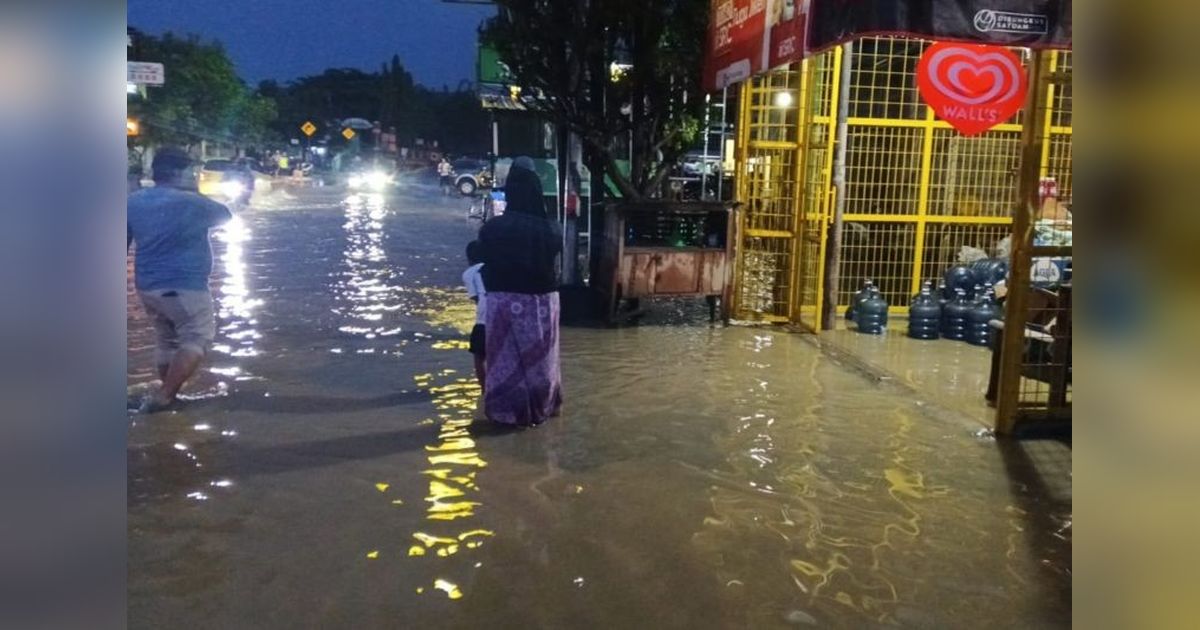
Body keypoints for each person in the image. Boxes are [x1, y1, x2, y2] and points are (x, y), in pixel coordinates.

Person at [127, 147, 233, 413]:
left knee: (167, 340)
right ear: (178, 172)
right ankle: (164, 395)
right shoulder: (192, 202)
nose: (195, 175)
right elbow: (225, 215)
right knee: (198, 337)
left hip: (148, 286)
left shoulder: (133, 200)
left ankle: (169, 392)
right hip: (185, 286)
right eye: (191, 170)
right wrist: (194, 190)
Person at [476, 159, 563, 426]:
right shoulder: (551, 230)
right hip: (542, 302)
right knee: (542, 362)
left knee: (503, 361)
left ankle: (505, 415)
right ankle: (544, 409)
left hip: (501, 301)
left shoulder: (491, 228)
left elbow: (483, 259)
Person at [462, 240, 488, 390]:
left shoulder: (470, 273)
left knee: (479, 357)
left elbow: (476, 298)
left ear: (469, 259)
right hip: (502, 318)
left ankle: (484, 391)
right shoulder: (494, 268)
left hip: (483, 321)